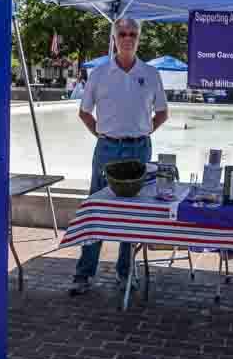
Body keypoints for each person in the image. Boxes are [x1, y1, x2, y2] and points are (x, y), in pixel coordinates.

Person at [71, 18, 168, 295]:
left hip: (139, 148)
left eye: (133, 34)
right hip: (107, 149)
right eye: (122, 33)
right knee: (95, 209)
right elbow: (84, 112)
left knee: (134, 213)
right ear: (114, 38)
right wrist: (101, 135)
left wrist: (145, 131)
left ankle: (125, 273)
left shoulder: (150, 73)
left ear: (139, 38)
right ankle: (83, 273)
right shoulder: (100, 73)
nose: (128, 38)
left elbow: (162, 112)